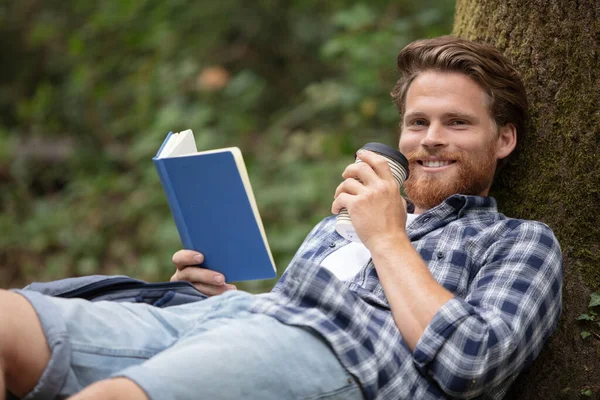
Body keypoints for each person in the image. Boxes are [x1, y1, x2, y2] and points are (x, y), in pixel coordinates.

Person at [0, 36, 562, 400]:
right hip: (242, 323)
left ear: (503, 139)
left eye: (456, 123)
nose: (430, 139)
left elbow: (474, 365)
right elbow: (276, 324)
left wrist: (389, 237)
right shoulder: (343, 221)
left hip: (357, 361)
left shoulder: (520, 242)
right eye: (417, 123)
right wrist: (207, 297)